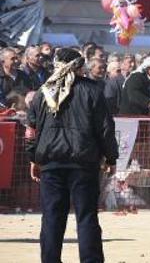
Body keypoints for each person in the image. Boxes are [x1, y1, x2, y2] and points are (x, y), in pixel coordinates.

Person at [25, 48, 118, 263]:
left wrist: (33, 158)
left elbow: (31, 130)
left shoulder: (42, 92)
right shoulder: (93, 90)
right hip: (83, 162)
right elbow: (105, 128)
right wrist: (110, 157)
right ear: (79, 65)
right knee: (86, 217)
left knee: (52, 217)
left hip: (50, 162)